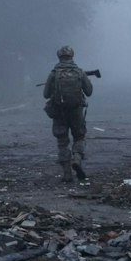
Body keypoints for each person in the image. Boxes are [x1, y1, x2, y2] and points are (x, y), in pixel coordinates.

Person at [42, 44, 93, 183]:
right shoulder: (79, 72)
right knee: (79, 137)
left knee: (62, 141)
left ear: (59, 57)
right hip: (76, 111)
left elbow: (46, 95)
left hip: (59, 112)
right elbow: (89, 92)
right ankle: (77, 158)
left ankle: (67, 174)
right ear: (72, 56)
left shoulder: (53, 74)